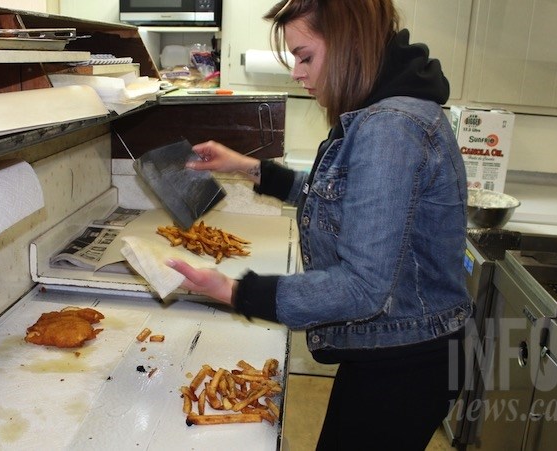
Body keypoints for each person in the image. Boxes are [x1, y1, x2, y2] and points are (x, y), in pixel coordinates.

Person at [167, 0, 472, 449]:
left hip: (404, 363)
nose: (297, 73)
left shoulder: (390, 127)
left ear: (351, 45)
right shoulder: (387, 112)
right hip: (400, 347)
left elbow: (362, 287)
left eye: (305, 56)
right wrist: (249, 168)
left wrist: (235, 291)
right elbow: (343, 197)